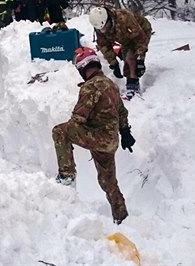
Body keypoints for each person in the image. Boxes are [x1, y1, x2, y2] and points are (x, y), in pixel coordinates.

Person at [52, 47, 135, 225]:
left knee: (60, 131)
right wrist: (125, 132)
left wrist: (74, 132)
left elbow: (77, 119)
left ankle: (66, 175)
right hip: (110, 140)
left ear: (83, 67)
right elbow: (122, 111)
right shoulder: (110, 84)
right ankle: (122, 217)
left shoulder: (91, 87)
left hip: (98, 137)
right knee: (109, 182)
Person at [88, 6, 152, 99]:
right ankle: (131, 81)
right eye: (101, 30)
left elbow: (140, 39)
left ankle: (133, 87)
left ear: (108, 20)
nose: (103, 31)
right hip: (125, 38)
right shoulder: (100, 27)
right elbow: (104, 45)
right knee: (126, 57)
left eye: (105, 27)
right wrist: (113, 63)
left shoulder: (124, 18)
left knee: (130, 58)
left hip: (140, 31)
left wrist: (140, 59)